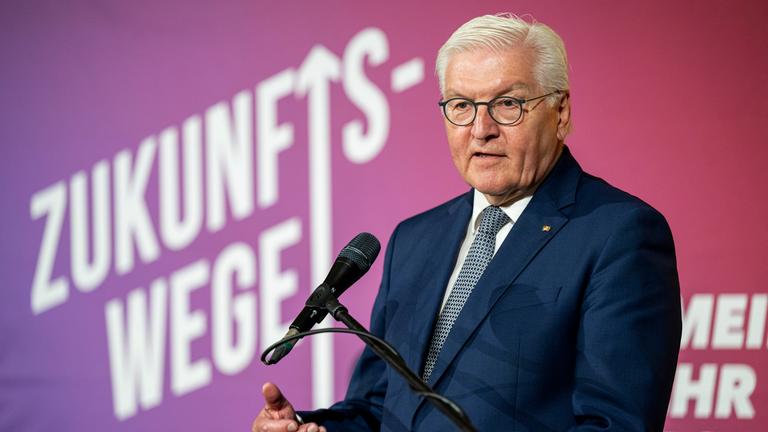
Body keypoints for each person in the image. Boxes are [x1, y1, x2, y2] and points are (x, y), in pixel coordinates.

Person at [252, 13, 681, 432]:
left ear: (560, 111)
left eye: (508, 104)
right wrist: (311, 427)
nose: (481, 129)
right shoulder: (414, 240)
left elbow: (615, 422)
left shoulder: (618, 235)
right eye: (461, 105)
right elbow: (378, 405)